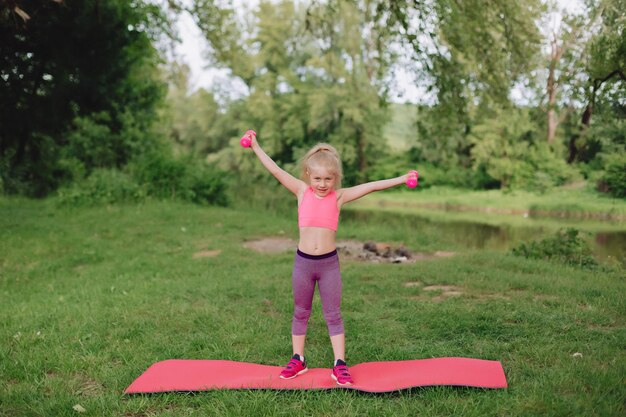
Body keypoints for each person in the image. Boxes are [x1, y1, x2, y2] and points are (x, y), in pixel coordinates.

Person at [246, 134, 414, 386]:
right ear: (307, 175)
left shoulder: (339, 197)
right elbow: (275, 169)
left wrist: (402, 179)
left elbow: (372, 186)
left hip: (328, 265)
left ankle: (339, 364)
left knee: (333, 314)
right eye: (317, 178)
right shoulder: (301, 191)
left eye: (328, 178)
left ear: (336, 178)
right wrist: (256, 146)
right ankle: (298, 359)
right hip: (303, 263)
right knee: (301, 311)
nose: (322, 184)